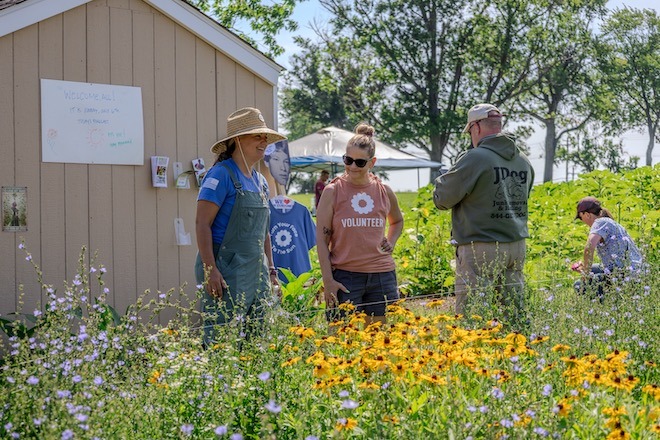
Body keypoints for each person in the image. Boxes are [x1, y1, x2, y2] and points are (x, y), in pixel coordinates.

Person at [433, 103, 534, 321]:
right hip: (516, 244)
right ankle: (516, 351)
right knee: (512, 313)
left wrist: (443, 178)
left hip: (481, 244)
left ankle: (472, 354)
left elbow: (442, 200)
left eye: (470, 131)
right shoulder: (523, 161)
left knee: (472, 314)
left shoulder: (475, 157)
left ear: (476, 127)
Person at [195, 107, 286, 345]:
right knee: (221, 339)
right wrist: (210, 270)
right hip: (225, 270)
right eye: (257, 136)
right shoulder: (220, 176)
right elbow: (202, 224)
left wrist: (272, 271)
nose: (263, 141)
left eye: (265, 137)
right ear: (237, 140)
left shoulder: (261, 182)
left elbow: (263, 230)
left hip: (256, 271)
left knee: (258, 338)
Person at [316, 123, 404, 324]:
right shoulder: (332, 191)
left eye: (360, 162)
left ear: (372, 162)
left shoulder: (384, 191)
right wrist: (328, 281)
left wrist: (392, 241)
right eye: (348, 160)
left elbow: (397, 221)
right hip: (345, 277)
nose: (352, 167)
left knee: (380, 344)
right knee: (338, 343)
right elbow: (321, 240)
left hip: (382, 275)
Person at [571, 196, 643, 299]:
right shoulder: (608, 222)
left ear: (587, 214)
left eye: (580, 217)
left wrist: (585, 274)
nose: (583, 222)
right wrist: (586, 268)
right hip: (635, 271)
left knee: (579, 285)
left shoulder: (599, 222)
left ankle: (603, 308)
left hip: (625, 275)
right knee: (594, 269)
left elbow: (589, 247)